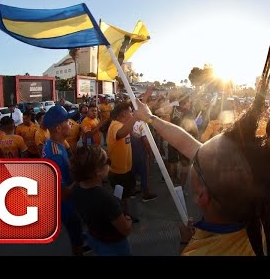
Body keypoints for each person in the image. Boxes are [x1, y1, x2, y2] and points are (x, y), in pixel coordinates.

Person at [133, 99, 259, 255]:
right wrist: (150, 118)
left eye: (196, 162)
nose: (194, 152)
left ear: (203, 196)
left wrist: (185, 243)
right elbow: (185, 142)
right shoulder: (258, 228)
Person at [71, 145, 133, 256]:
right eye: (107, 161)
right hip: (114, 246)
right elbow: (125, 230)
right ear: (97, 171)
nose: (109, 163)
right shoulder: (105, 199)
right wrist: (128, 219)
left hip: (94, 237)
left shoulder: (75, 188)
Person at [41, 104, 86, 256]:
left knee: (77, 233)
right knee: (76, 239)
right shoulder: (55, 154)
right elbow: (64, 194)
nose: (71, 124)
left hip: (66, 203)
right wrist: (83, 178)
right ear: (59, 128)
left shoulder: (55, 144)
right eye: (68, 121)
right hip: (65, 206)